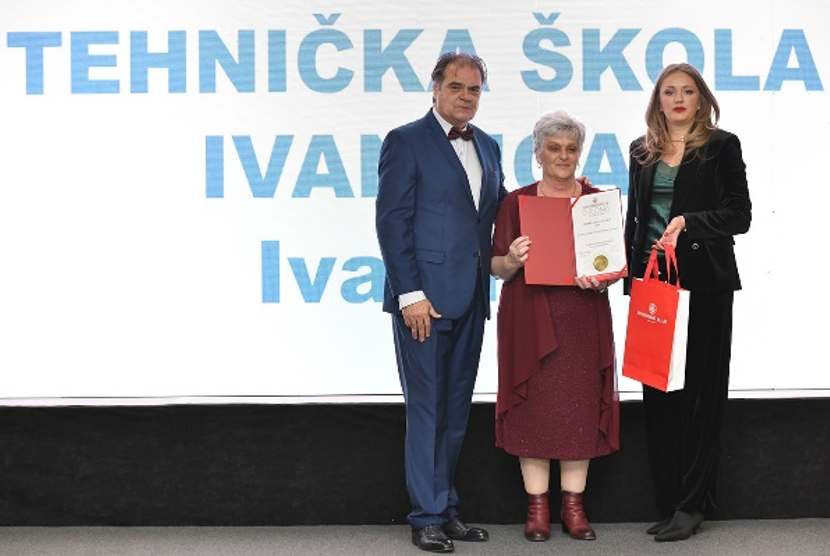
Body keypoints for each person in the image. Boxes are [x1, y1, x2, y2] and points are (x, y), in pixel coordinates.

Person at [375, 51, 508, 553]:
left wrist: (566, 203)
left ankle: (446, 508)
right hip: (423, 302)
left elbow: (501, 212)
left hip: (472, 297)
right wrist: (409, 294)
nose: (466, 96)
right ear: (435, 89)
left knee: (455, 409)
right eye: (456, 87)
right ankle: (425, 515)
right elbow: (392, 221)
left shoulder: (488, 146)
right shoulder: (405, 140)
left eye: (474, 89)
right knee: (427, 408)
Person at [624, 63, 752, 542]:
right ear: (658, 101)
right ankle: (669, 500)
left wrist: (689, 223)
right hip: (653, 288)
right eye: (669, 91)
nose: (678, 99)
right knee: (657, 396)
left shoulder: (721, 146)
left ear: (701, 100)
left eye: (688, 91)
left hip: (705, 286)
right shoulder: (641, 151)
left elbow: (740, 215)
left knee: (699, 395)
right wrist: (626, 276)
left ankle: (692, 504)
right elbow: (636, 221)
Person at [491, 109, 620, 543]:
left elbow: (612, 265)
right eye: (554, 148)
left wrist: (602, 278)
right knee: (534, 410)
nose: (563, 156)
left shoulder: (597, 202)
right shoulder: (515, 202)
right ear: (538, 153)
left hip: (582, 318)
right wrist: (513, 259)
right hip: (528, 318)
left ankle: (574, 508)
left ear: (579, 153)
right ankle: (537, 510)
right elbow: (496, 267)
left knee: (578, 409)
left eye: (571, 148)